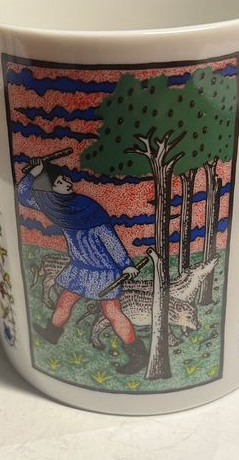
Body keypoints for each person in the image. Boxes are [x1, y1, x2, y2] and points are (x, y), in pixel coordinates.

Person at [18, 158, 147, 374]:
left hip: (103, 271)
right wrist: (34, 173)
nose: (67, 182)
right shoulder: (56, 209)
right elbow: (22, 196)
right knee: (64, 301)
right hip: (80, 268)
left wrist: (125, 264)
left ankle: (138, 354)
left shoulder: (88, 208)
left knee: (112, 311)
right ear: (50, 190)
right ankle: (52, 333)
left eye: (65, 179)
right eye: (59, 182)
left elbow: (110, 239)